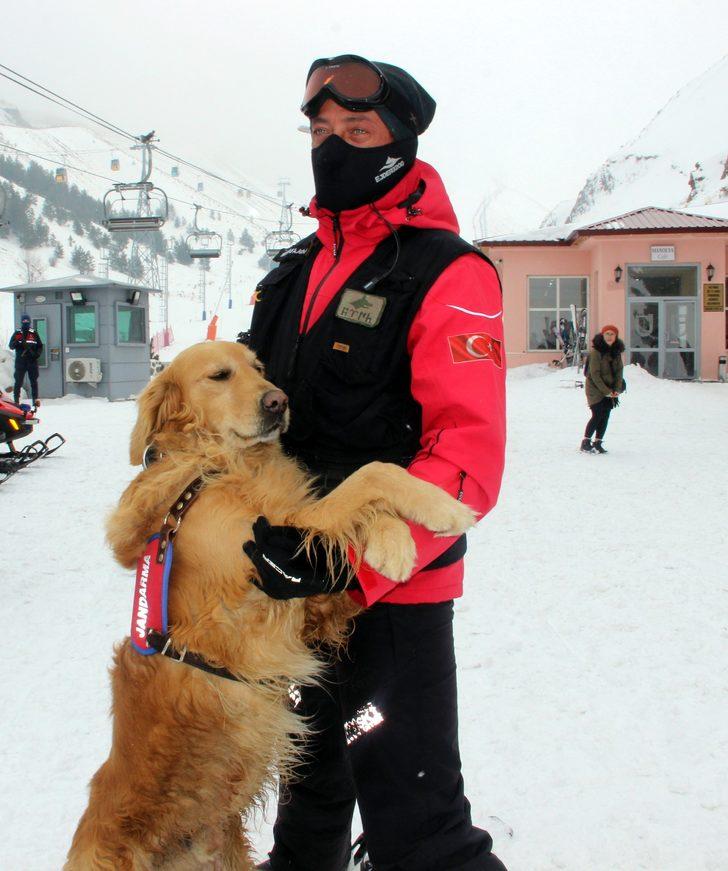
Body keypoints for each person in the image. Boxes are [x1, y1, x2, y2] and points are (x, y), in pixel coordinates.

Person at [243, 54, 507, 871]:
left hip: (389, 605)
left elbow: (466, 459)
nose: (333, 145)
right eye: (321, 130)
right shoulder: (291, 273)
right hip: (291, 601)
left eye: (357, 131)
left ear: (399, 145)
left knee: (420, 832)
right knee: (306, 812)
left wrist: (341, 559)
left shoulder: (447, 272)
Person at [580, 325, 625, 454]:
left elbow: (619, 372)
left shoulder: (616, 352)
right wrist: (606, 391)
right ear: (603, 335)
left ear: (616, 337)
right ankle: (586, 442)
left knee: (605, 415)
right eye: (607, 334)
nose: (609, 336)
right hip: (595, 388)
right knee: (597, 414)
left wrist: (616, 389)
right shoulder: (596, 352)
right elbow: (594, 374)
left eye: (612, 334)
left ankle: (598, 442)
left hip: (609, 389)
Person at [9, 313, 43, 408]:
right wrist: (18, 342)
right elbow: (11, 346)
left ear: (29, 322)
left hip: (32, 362)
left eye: (27, 322)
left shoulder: (33, 333)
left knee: (33, 382)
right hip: (20, 362)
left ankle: (35, 401)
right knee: (18, 382)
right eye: (24, 321)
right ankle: (16, 401)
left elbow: (40, 346)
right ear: (21, 322)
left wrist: (36, 355)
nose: (25, 323)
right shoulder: (17, 333)